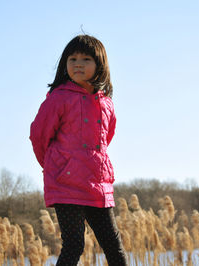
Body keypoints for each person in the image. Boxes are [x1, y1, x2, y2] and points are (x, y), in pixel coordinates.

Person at [29, 35, 128, 266]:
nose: (78, 64)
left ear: (100, 65)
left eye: (86, 59)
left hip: (98, 185)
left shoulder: (106, 103)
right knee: (74, 244)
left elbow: (106, 138)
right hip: (66, 184)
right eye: (72, 59)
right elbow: (38, 135)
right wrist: (56, 166)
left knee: (113, 244)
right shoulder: (59, 98)